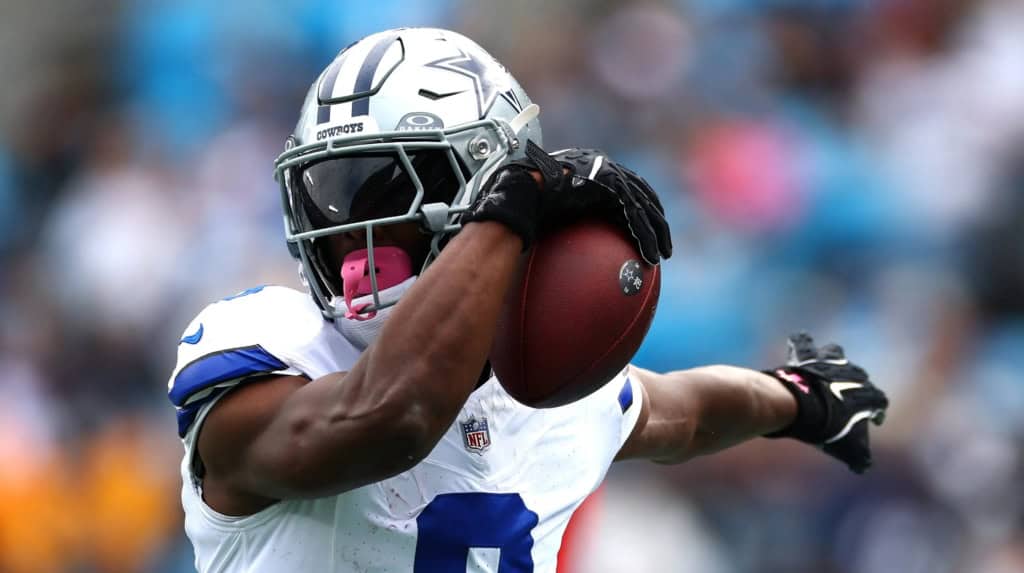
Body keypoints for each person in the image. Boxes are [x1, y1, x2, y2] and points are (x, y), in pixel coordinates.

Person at [167, 27, 889, 572]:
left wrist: (797, 397)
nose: (346, 233)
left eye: (385, 192)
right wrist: (517, 203)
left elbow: (689, 412)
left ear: (479, 185)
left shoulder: (548, 386)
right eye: (328, 193)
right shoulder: (270, 344)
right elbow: (390, 417)